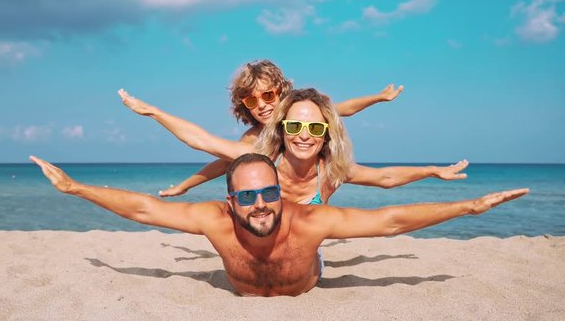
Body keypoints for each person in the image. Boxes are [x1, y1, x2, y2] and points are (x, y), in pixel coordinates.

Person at [30, 153, 528, 297]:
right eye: (246, 197)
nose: (261, 204)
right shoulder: (214, 221)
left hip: (309, 273)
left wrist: (470, 207)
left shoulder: (309, 221)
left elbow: (390, 221)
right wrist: (77, 189)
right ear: (230, 201)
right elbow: (142, 209)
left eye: (269, 193)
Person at [118, 87, 468, 205]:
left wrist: (432, 170)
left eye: (314, 127)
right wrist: (151, 111)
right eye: (252, 100)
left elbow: (386, 178)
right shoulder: (260, 151)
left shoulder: (329, 169)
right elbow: (205, 146)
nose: (304, 133)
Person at [135, 60, 404, 197]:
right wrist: (186, 185)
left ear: (281, 93)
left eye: (268, 96)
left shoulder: (298, 114)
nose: (262, 105)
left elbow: (342, 108)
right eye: (252, 100)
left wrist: (377, 98)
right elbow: (218, 161)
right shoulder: (254, 138)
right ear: (244, 105)